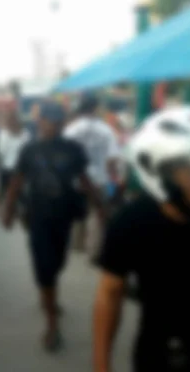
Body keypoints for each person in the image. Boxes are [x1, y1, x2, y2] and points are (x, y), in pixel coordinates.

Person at [94, 106, 190, 372]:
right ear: (160, 176)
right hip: (162, 354)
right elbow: (110, 292)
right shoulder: (131, 224)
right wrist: (101, 365)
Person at [2, 102, 104, 352]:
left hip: (64, 216)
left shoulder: (73, 149)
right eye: (49, 120)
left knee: (58, 263)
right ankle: (52, 324)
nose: (54, 124)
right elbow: (17, 180)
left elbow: (84, 179)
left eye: (59, 121)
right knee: (45, 265)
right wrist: (8, 209)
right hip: (37, 217)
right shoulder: (29, 149)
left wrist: (100, 208)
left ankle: (48, 291)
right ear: (40, 121)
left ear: (63, 123)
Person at [64, 93, 121, 258]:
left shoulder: (71, 129)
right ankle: (93, 252)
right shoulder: (107, 130)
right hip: (100, 180)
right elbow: (112, 159)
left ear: (80, 108)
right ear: (96, 108)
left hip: (76, 180)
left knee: (77, 212)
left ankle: (76, 244)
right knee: (97, 214)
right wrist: (113, 179)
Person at [0, 111, 30, 198]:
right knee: (9, 195)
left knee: (17, 196)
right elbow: (0, 153)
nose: (12, 123)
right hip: (7, 170)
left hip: (19, 171)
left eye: (14, 120)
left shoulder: (26, 135)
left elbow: (0, 153)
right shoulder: (4, 135)